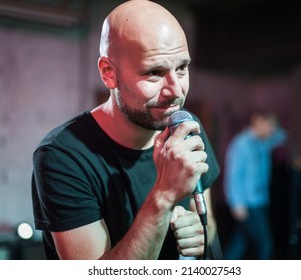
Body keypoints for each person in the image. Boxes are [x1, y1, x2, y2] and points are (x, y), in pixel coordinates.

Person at [31, 0, 220, 260]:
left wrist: (198, 234)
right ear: (109, 73)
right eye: (154, 72)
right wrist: (163, 198)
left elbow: (208, 224)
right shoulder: (62, 156)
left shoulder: (185, 127)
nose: (176, 91)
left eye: (182, 68)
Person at [223, 110, 286, 260]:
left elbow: (282, 137)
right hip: (248, 203)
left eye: (274, 126)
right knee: (265, 243)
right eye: (269, 125)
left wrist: (273, 127)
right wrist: (236, 203)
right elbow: (233, 175)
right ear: (257, 121)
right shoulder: (241, 143)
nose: (272, 129)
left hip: (260, 200)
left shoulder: (263, 142)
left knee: (240, 242)